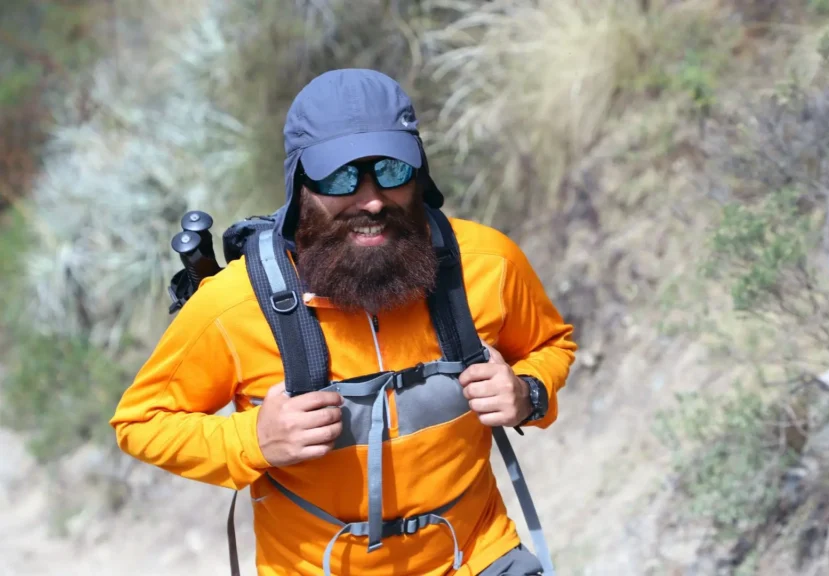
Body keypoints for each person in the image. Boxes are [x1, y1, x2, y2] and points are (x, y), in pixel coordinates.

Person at [108, 68, 576, 576]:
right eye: (341, 177)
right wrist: (253, 441)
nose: (371, 199)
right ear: (299, 184)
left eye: (392, 171)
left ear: (420, 173)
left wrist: (527, 392)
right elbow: (140, 422)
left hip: (477, 555)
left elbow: (552, 345)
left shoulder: (487, 264)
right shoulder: (233, 306)